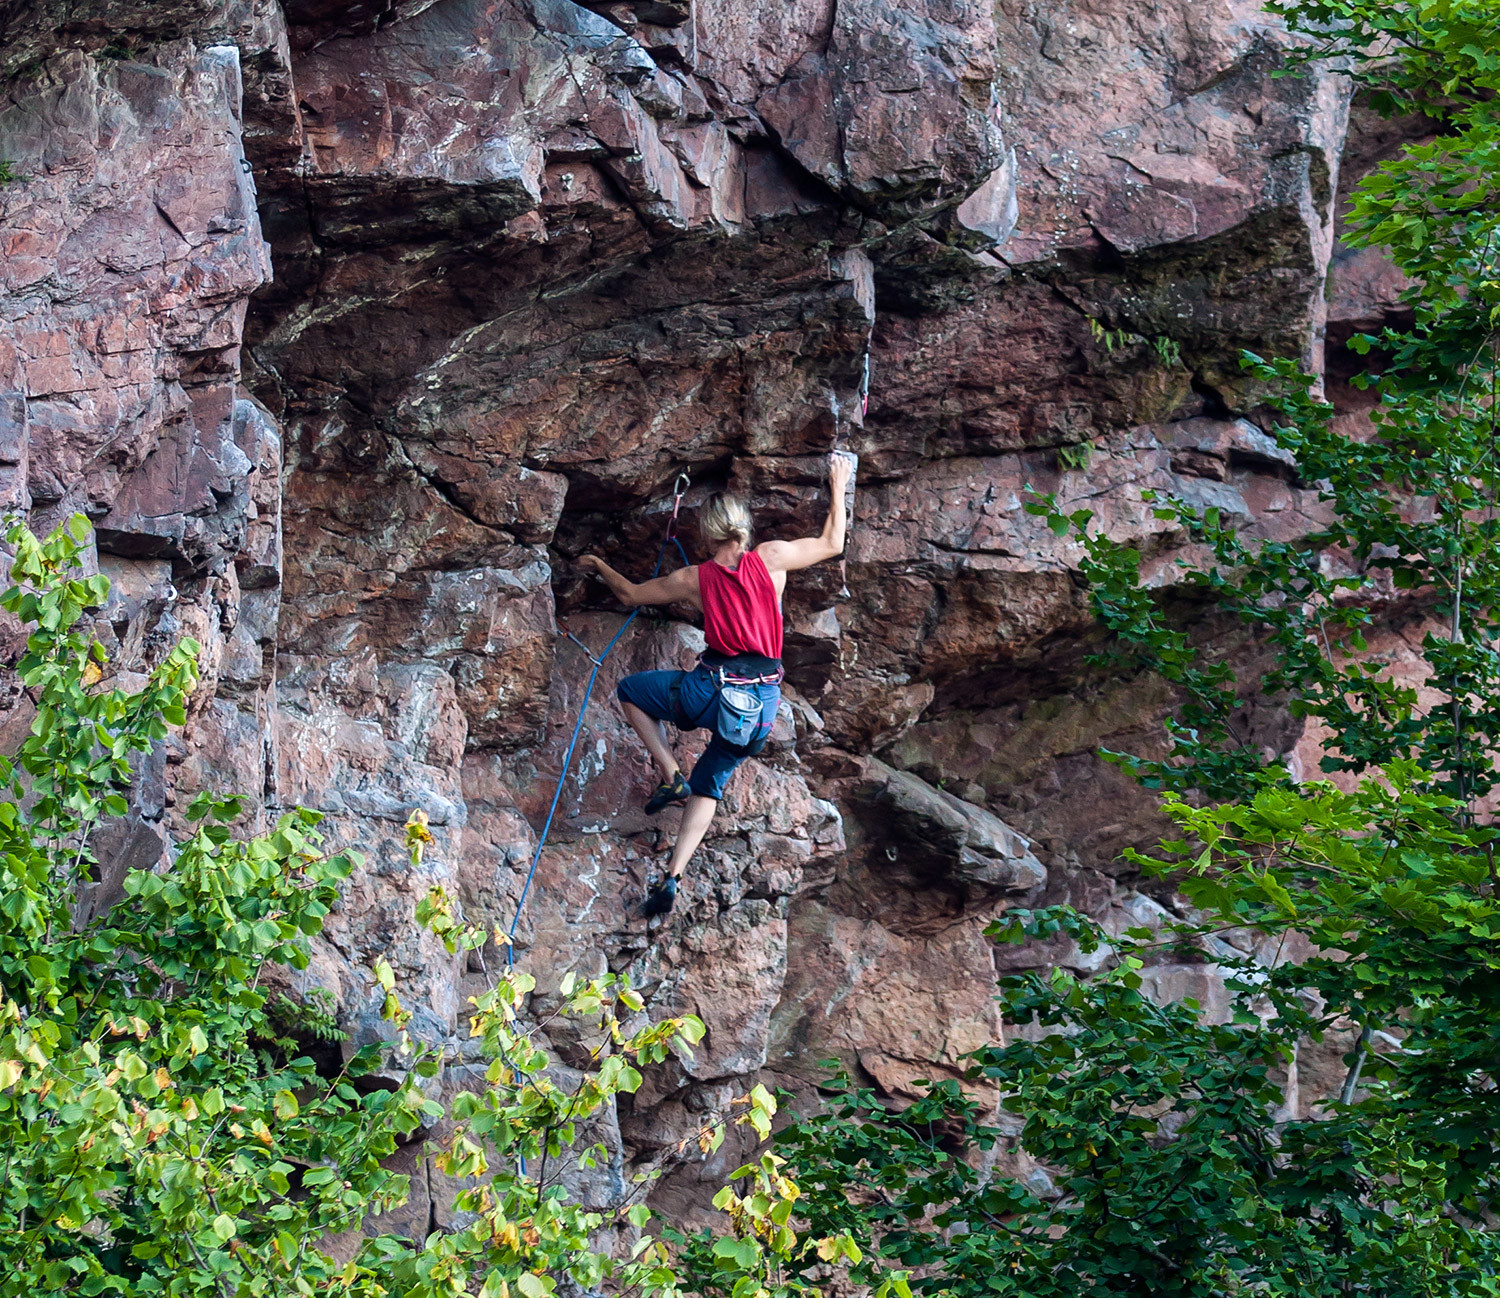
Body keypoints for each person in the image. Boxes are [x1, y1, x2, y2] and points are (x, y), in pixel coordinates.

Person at [578, 457, 853, 916]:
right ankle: (672, 877)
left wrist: (597, 564)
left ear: (706, 535)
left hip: (709, 692)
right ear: (744, 526)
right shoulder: (772, 559)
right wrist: (837, 484)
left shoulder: (694, 579)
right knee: (711, 782)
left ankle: (671, 774)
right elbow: (832, 542)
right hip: (760, 709)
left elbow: (630, 594)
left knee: (631, 691)